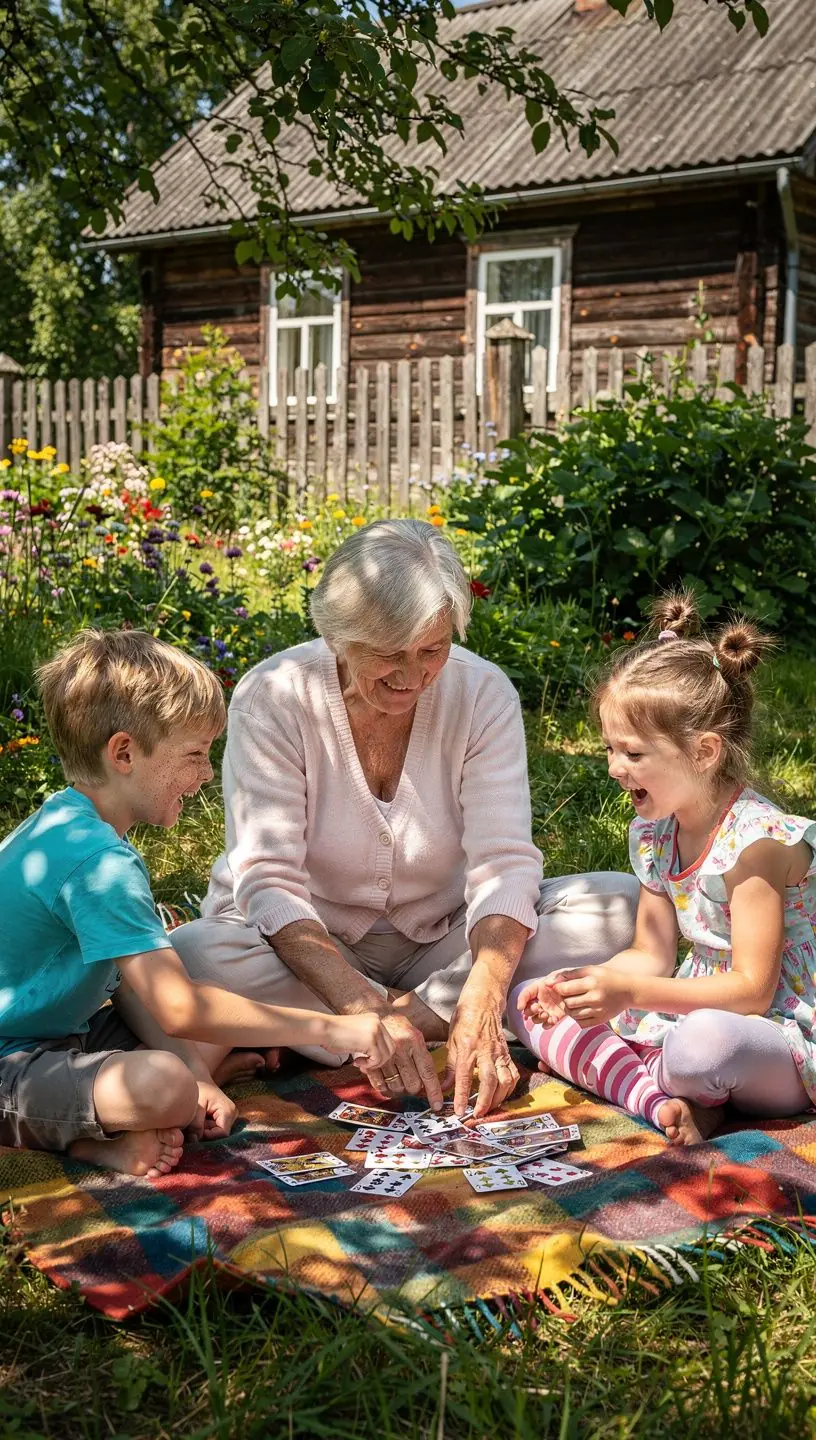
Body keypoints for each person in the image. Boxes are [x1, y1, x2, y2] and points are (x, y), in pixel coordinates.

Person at [171, 518, 638, 1119]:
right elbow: (269, 880)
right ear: (338, 635)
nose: (413, 675)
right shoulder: (274, 696)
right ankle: (389, 1024)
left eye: (432, 650)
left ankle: (385, 1027)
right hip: (307, 950)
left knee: (621, 906)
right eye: (388, 654)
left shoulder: (482, 693)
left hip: (443, 941)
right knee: (191, 955)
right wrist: (358, 999)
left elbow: (503, 863)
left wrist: (483, 987)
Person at [0, 630, 395, 1177]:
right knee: (164, 1083)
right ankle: (88, 1142)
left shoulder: (67, 822)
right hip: (11, 1058)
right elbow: (179, 1009)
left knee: (192, 1045)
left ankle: (183, 1088)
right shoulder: (97, 864)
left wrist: (202, 1078)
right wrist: (328, 1028)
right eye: (193, 755)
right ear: (124, 753)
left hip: (65, 1030)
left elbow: (145, 995)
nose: (206, 776)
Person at [509, 590, 816, 1147]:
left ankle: (665, 1082)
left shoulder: (755, 843)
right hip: (687, 1008)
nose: (613, 768)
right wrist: (584, 982)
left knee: (704, 1047)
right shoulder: (656, 833)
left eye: (632, 754)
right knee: (527, 997)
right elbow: (650, 954)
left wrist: (628, 995)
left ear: (704, 751)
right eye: (609, 749)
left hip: (778, 1032)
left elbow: (752, 989)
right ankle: (660, 1099)